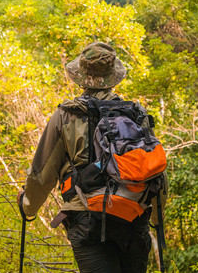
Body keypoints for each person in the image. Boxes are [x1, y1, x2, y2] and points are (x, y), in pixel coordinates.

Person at [17, 42, 167, 273]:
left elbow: (42, 175)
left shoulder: (66, 115)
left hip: (86, 218)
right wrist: (157, 218)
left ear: (81, 76)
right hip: (133, 215)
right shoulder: (136, 114)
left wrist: (27, 207)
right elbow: (156, 172)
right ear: (114, 76)